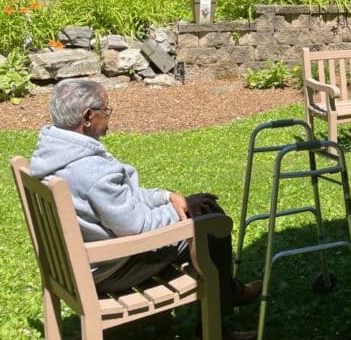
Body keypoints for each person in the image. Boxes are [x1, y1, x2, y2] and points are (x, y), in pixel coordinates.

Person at [29, 79, 259, 340]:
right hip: (109, 269)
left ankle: (228, 291)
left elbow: (124, 198)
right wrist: (189, 213)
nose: (109, 118)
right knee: (212, 223)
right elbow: (138, 227)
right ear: (88, 117)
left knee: (202, 211)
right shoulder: (92, 172)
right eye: (106, 111)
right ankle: (216, 324)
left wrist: (165, 196)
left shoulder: (54, 152)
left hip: (73, 267)